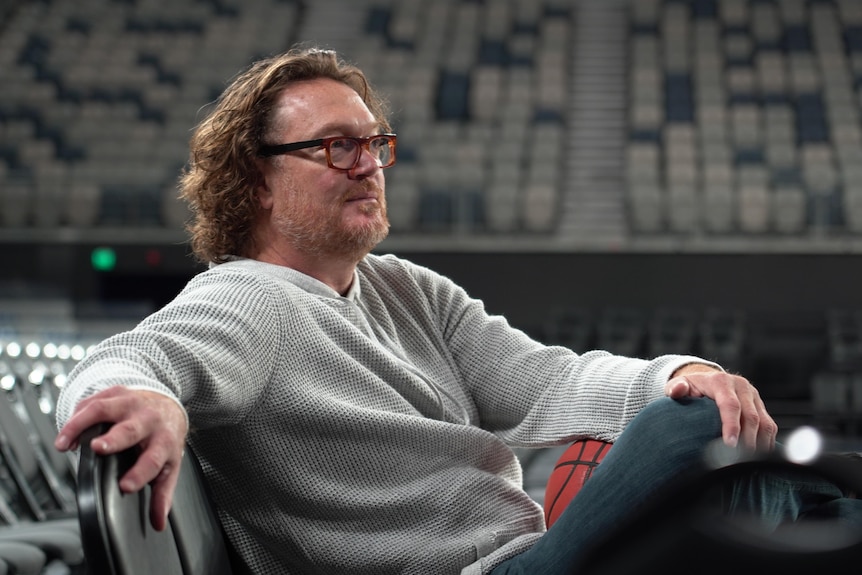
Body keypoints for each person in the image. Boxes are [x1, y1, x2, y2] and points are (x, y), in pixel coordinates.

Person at [53, 46, 856, 575]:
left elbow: (545, 380)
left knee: (794, 477)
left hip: (529, 550)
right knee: (701, 432)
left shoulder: (404, 286)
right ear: (256, 181)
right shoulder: (247, 298)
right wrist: (152, 395)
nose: (369, 165)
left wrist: (678, 368)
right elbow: (129, 360)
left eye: (375, 144)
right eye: (337, 146)